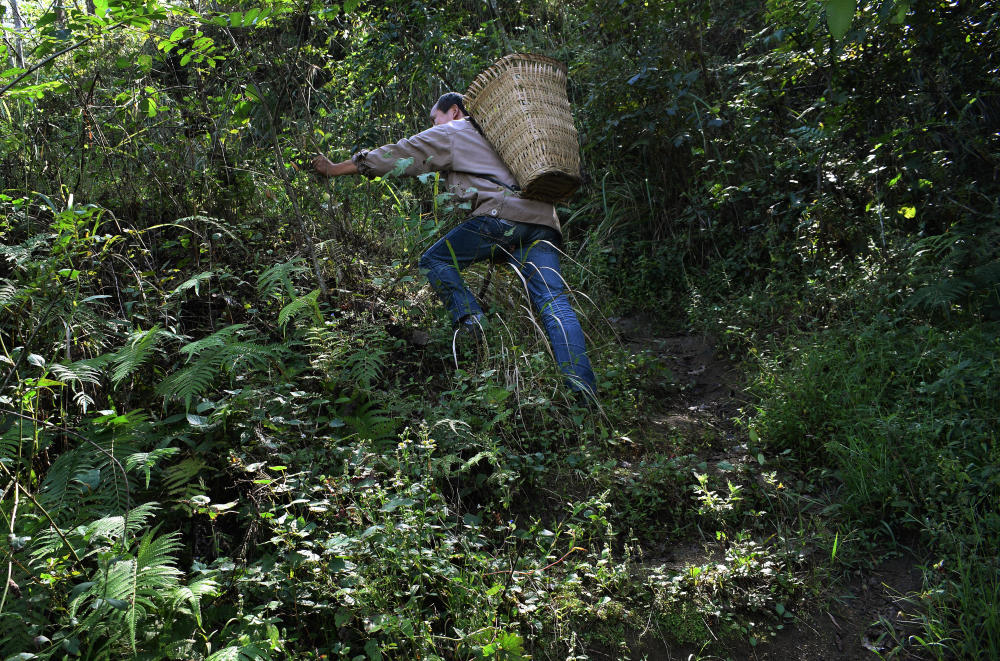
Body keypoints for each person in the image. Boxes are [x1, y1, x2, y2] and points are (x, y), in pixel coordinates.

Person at [312, 92, 597, 401]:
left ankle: (474, 325)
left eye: (435, 118)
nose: (433, 125)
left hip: (502, 218)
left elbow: (401, 154)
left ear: (455, 111)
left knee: (436, 260)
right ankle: (583, 395)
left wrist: (335, 169)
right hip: (543, 220)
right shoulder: (505, 137)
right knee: (554, 304)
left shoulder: (456, 131)